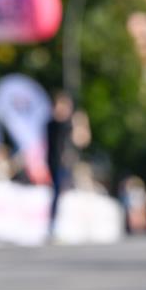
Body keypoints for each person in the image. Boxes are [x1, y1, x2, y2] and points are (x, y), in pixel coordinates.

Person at [45, 91, 91, 236]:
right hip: (55, 164)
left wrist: (81, 125)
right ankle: (54, 225)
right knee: (58, 194)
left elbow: (82, 140)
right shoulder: (51, 124)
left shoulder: (72, 124)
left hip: (71, 165)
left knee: (73, 194)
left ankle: (75, 225)